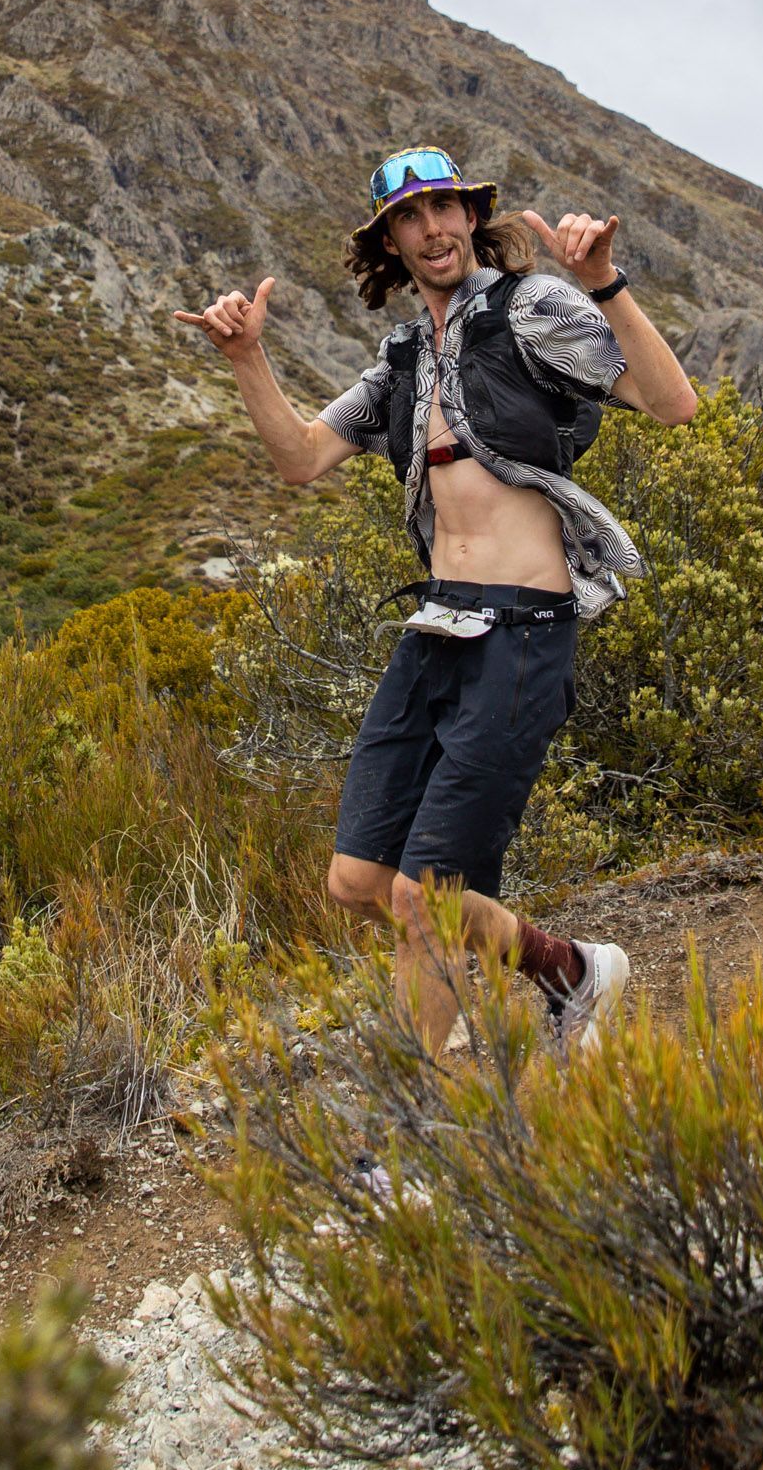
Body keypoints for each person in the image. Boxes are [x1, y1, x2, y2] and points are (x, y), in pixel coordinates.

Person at [175, 144, 699, 1058]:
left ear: (470, 215)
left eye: (444, 209)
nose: (433, 229)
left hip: (522, 632)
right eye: (409, 219)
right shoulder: (403, 359)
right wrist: (246, 357)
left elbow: (672, 403)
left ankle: (432, 1106)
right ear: (390, 243)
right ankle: (565, 973)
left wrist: (605, 282)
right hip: (436, 629)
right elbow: (300, 460)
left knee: (425, 894)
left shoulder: (531, 309)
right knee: (358, 879)